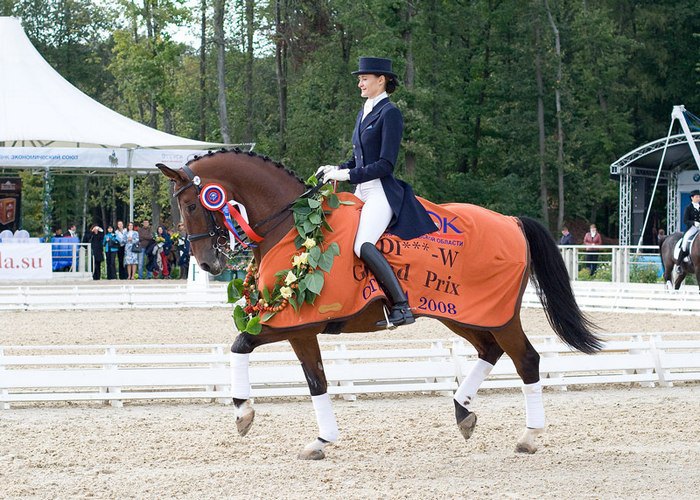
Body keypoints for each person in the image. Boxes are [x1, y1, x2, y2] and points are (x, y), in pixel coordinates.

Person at [317, 56, 436, 328]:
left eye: (364, 78)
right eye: (359, 79)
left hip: (381, 191)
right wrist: (335, 168)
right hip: (361, 189)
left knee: (362, 244)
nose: (359, 83)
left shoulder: (390, 113)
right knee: (340, 242)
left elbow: (384, 164)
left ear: (381, 80)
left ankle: (401, 307)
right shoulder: (364, 111)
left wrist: (345, 175)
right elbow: (358, 160)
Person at [676, 189, 700, 272]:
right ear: (692, 198)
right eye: (697, 197)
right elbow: (685, 220)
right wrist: (694, 223)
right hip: (692, 228)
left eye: (699, 197)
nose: (698, 198)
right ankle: (678, 265)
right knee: (685, 242)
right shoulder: (688, 207)